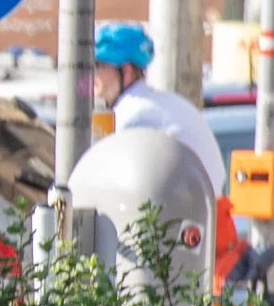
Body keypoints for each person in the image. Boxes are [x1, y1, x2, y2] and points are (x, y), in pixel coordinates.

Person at [92, 22, 225, 191]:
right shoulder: (155, 102)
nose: (92, 76)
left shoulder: (133, 114)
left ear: (126, 72)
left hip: (189, 213)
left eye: (98, 66)